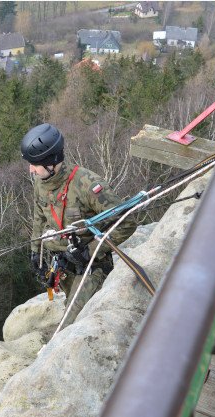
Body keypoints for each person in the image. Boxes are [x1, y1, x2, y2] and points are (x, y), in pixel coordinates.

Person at [22, 124, 138, 326]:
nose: (30, 169)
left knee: (68, 325)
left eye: (35, 164)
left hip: (92, 267)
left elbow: (126, 222)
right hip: (65, 264)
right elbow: (39, 217)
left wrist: (91, 250)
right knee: (70, 306)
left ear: (51, 163)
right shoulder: (41, 184)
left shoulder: (87, 184)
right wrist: (35, 251)